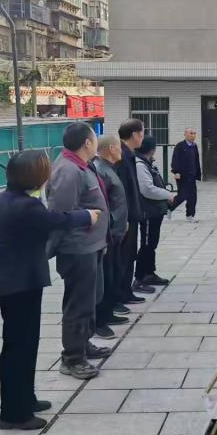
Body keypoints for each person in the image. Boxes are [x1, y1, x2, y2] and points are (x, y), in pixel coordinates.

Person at [0, 150, 99, 429]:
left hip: (13, 282)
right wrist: (87, 215)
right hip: (20, 285)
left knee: (24, 345)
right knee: (19, 349)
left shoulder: (4, 199)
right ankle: (14, 414)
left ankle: (25, 399)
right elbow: (56, 220)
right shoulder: (27, 207)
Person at [47, 122, 112, 380]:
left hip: (92, 245)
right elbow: (60, 214)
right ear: (87, 142)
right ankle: (72, 358)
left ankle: (84, 343)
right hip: (77, 249)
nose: (96, 142)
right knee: (78, 303)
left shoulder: (82, 165)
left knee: (91, 298)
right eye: (94, 138)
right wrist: (86, 219)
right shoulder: (68, 170)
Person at [93, 134, 131, 339]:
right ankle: (100, 319)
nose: (121, 150)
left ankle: (108, 311)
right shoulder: (100, 170)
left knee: (113, 272)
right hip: (108, 233)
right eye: (118, 147)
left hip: (116, 232)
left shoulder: (110, 169)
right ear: (110, 149)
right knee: (105, 276)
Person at [135, 135, 175, 288]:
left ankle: (150, 273)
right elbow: (147, 189)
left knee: (152, 243)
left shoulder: (147, 162)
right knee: (146, 244)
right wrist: (167, 194)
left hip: (154, 211)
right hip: (147, 211)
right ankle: (140, 277)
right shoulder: (140, 164)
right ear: (152, 149)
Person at [117, 119, 147, 300]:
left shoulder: (129, 154)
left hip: (132, 213)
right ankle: (122, 293)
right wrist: (126, 217)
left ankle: (126, 291)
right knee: (125, 255)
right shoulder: (121, 156)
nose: (143, 137)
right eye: (142, 133)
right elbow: (122, 190)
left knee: (130, 254)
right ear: (135, 134)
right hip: (126, 215)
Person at [171, 127, 202, 223]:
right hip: (182, 176)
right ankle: (168, 207)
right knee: (182, 195)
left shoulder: (194, 146)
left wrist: (198, 174)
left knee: (193, 197)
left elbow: (196, 161)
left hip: (191, 176)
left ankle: (190, 215)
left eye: (194, 133)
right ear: (185, 134)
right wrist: (176, 171)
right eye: (191, 133)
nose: (193, 135)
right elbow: (175, 159)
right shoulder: (180, 146)